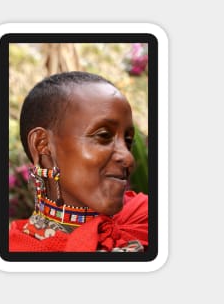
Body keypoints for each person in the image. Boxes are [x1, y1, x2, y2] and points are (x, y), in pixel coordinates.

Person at [9, 71, 148, 252]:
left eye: (128, 141)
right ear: (42, 145)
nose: (129, 158)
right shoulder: (14, 255)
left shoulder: (146, 218)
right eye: (104, 136)